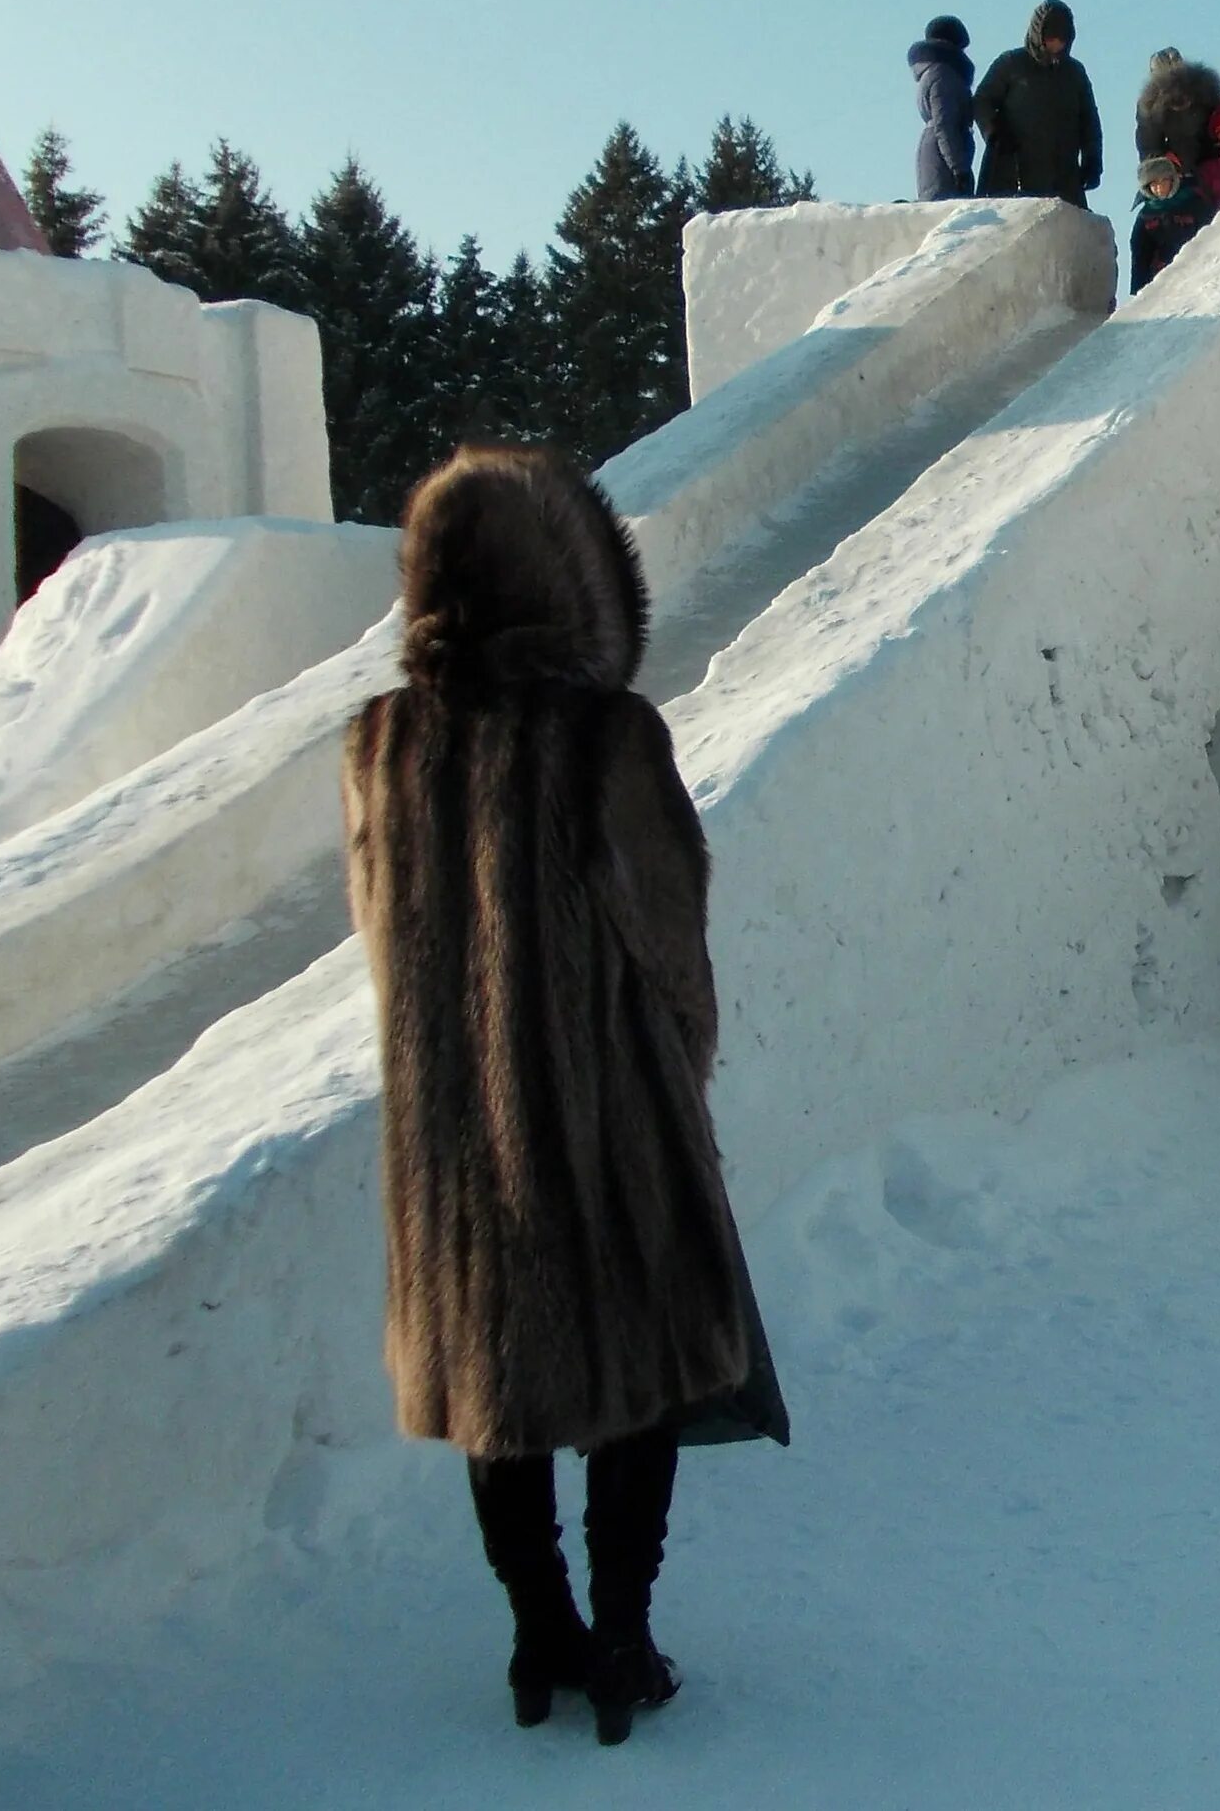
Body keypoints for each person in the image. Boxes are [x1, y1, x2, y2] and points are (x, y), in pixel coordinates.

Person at [341, 445, 789, 1749]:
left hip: (450, 1129)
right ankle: (623, 1636)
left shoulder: (382, 740)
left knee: (501, 1378)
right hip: (602, 1115)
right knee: (636, 1377)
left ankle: (537, 1633)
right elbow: (668, 932)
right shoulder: (605, 734)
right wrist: (676, 1071)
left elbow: (383, 936)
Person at [975, 0, 1103, 204]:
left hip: (1065, 177)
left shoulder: (1074, 73)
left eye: (1061, 40)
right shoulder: (1011, 63)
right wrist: (994, 132)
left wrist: (1093, 159)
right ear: (1039, 33)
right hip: (1014, 172)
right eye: (1051, 38)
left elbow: (1089, 120)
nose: (1055, 45)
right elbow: (982, 100)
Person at [909, 15, 974, 200]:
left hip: (937, 156)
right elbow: (945, 125)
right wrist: (959, 168)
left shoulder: (933, 72)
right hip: (943, 160)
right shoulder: (944, 74)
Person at [1132, 48, 1220, 179]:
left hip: (1208, 167)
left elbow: (1217, 129)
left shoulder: (1204, 92)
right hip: (1172, 173)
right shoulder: (1150, 105)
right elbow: (1149, 145)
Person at [1128, 155, 1210, 291]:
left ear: (1173, 180)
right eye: (1154, 184)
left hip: (1197, 268)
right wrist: (1139, 290)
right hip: (1164, 274)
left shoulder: (1193, 202)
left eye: (1163, 181)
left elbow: (1211, 233)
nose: (1159, 188)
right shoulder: (1146, 215)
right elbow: (1140, 253)